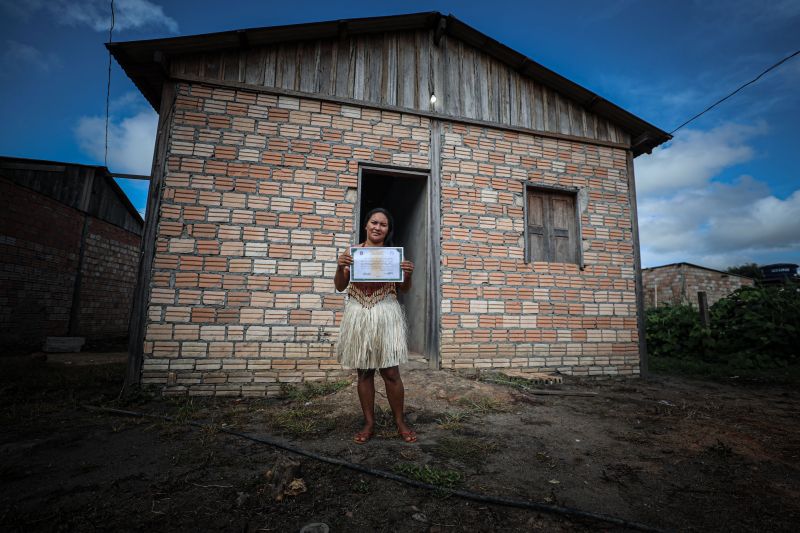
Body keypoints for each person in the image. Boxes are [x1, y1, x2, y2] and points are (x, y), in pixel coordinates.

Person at [334, 207, 417, 444]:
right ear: (366, 225)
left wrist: (407, 275)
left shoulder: (393, 256)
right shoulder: (353, 253)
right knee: (364, 372)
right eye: (374, 222)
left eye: (383, 224)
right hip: (359, 312)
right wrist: (341, 267)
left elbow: (405, 289)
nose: (377, 227)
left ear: (388, 230)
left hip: (385, 311)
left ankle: (400, 422)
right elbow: (340, 286)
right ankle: (369, 423)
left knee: (391, 372)